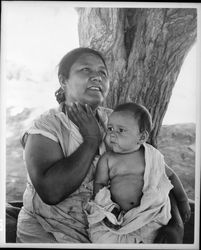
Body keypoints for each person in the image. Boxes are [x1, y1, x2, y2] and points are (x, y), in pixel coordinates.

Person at [16, 47, 184, 243]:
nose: (97, 77)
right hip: (52, 230)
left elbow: (154, 171)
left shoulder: (116, 122)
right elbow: (51, 192)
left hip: (113, 228)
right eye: (85, 70)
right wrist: (91, 140)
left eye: (102, 72)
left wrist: (175, 225)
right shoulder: (46, 128)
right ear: (64, 81)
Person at [85, 102, 191, 243]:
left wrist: (183, 201)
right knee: (104, 239)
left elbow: (170, 176)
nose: (112, 134)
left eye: (121, 130)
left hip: (149, 215)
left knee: (155, 238)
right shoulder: (108, 159)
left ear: (141, 137)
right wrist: (107, 210)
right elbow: (99, 184)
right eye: (110, 128)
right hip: (117, 216)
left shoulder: (151, 156)